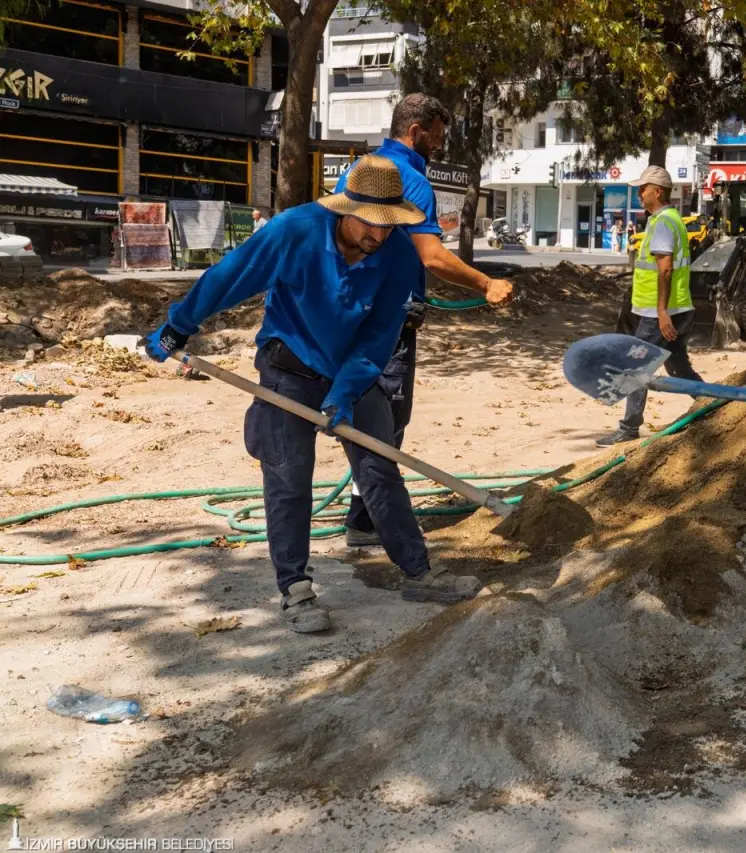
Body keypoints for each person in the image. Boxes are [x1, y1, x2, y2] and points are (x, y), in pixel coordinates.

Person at [142, 155, 485, 634]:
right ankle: (296, 591)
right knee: (289, 476)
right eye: (370, 224)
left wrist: (345, 392)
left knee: (379, 465)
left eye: (390, 226)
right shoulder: (295, 231)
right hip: (289, 366)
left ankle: (419, 572)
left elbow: (379, 336)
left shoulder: (400, 256)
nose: (378, 236)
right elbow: (231, 276)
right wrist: (179, 325)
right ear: (345, 209)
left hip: (352, 370)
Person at [334, 94, 515, 549]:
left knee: (366, 412)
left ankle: (363, 511)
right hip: (388, 319)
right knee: (388, 416)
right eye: (438, 134)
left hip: (349, 311)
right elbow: (431, 255)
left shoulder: (358, 171)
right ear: (415, 132)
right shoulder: (411, 181)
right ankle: (367, 520)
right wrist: (485, 284)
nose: (440, 143)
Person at [596, 165, 704, 447]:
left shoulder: (663, 223)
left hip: (661, 314)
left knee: (635, 367)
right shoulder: (668, 220)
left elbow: (665, 270)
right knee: (678, 367)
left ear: (657, 191)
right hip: (676, 309)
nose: (640, 193)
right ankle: (710, 402)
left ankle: (629, 428)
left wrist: (660, 312)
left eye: (643, 188)